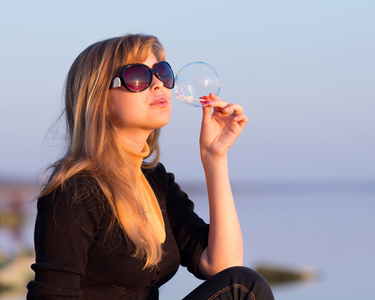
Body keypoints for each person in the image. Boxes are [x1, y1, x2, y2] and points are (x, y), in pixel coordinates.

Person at [26, 34, 274, 300]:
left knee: (242, 284)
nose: (158, 84)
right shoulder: (74, 191)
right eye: (137, 76)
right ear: (98, 99)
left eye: (162, 73)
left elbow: (221, 265)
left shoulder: (155, 181)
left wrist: (215, 158)